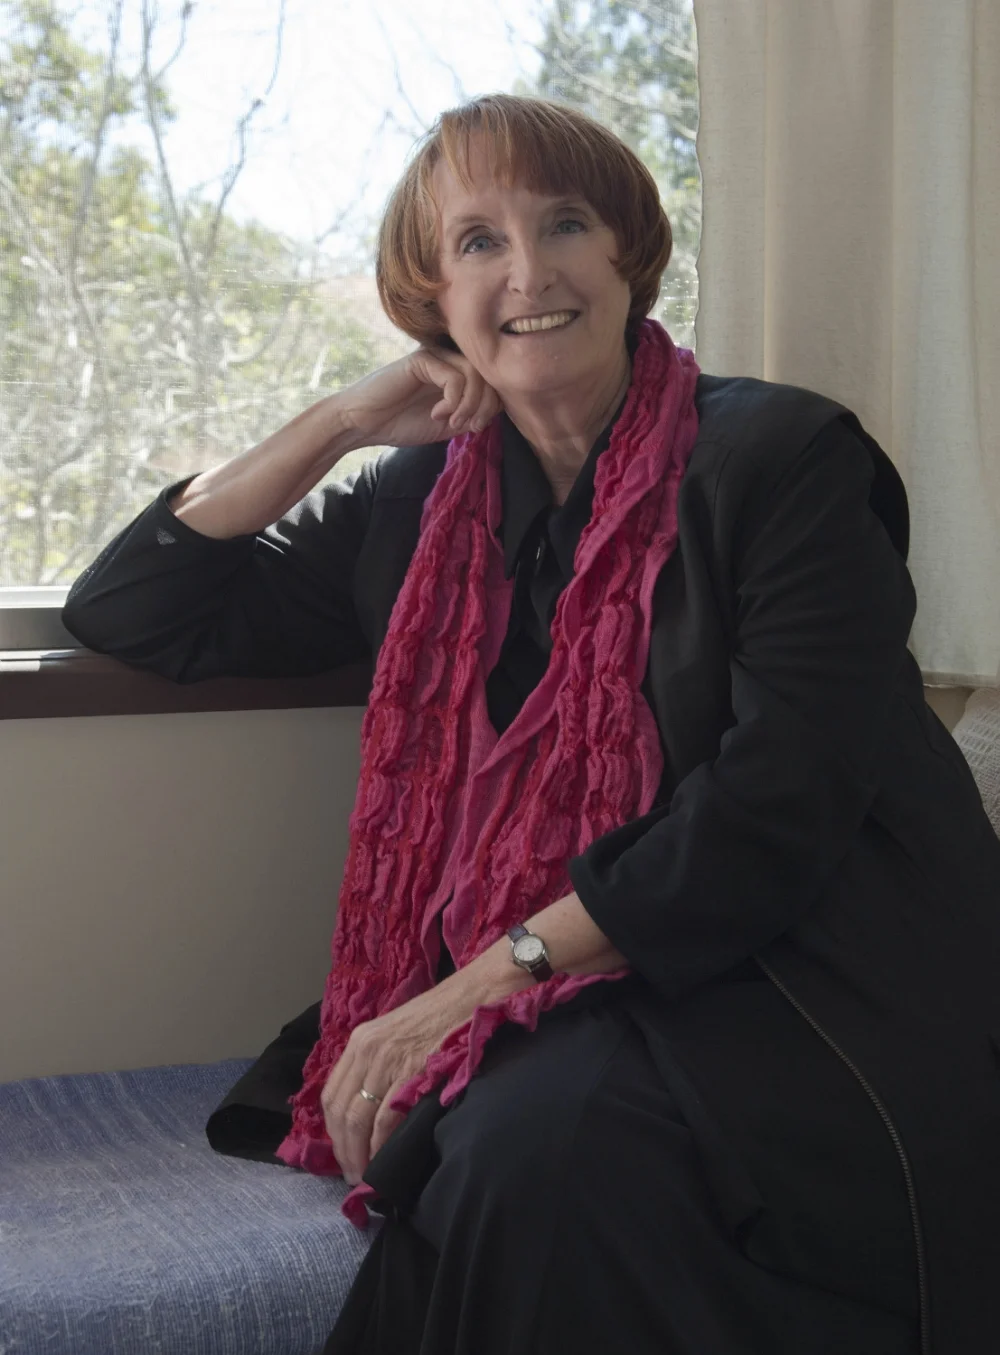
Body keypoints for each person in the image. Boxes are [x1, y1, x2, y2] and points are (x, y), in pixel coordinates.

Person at [63, 94, 1000, 1355]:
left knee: (529, 1148)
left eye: (564, 224)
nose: (529, 271)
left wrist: (474, 987)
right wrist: (342, 420)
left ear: (626, 256)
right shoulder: (417, 503)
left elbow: (777, 804)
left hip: (801, 969)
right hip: (580, 987)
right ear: (433, 301)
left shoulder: (783, 460)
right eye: (478, 243)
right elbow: (137, 606)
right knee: (510, 1135)